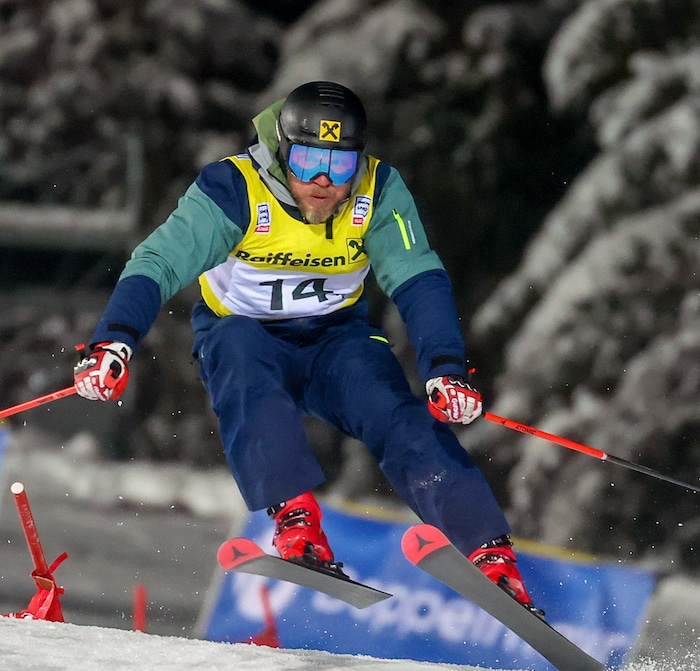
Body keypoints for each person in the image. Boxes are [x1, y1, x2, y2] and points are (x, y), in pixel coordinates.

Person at [73, 80, 541, 614]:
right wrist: (114, 341)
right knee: (238, 354)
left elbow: (417, 277)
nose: (322, 181)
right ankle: (296, 520)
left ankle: (492, 555)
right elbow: (157, 262)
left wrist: (444, 368)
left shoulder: (378, 192)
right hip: (245, 335)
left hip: (334, 341)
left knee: (398, 413)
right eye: (308, 161)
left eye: (340, 166)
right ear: (281, 152)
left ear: (358, 164)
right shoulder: (235, 188)